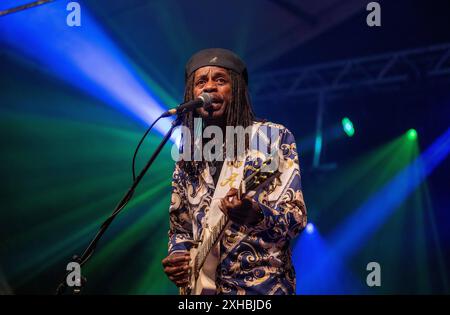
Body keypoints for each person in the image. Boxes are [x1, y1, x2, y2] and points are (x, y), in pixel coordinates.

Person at [162, 48, 307, 295]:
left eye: (220, 80)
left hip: (260, 290)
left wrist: (254, 214)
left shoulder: (270, 138)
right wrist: (178, 255)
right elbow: (180, 228)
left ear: (237, 89)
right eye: (201, 82)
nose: (209, 88)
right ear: (192, 93)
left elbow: (296, 219)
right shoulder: (189, 153)